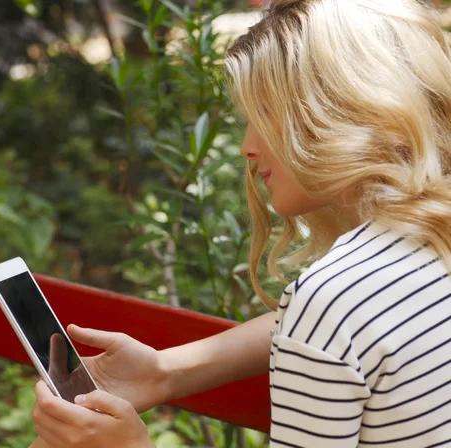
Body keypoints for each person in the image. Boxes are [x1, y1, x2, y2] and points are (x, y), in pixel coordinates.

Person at [29, 0, 451, 446]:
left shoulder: (334, 299)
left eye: (264, 116)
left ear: (338, 111)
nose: (247, 147)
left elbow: (334, 320)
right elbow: (353, 329)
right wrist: (165, 373)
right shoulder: (419, 250)